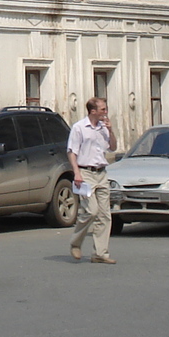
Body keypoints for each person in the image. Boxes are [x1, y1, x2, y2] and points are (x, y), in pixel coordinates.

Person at [67, 97, 116, 264]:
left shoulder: (103, 127)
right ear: (93, 111)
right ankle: (76, 242)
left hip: (101, 173)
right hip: (85, 173)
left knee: (104, 215)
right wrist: (77, 173)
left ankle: (100, 253)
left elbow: (113, 147)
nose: (105, 112)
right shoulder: (79, 128)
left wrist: (111, 131)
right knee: (91, 211)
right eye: (102, 109)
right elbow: (72, 152)